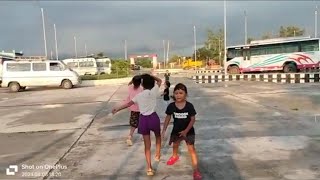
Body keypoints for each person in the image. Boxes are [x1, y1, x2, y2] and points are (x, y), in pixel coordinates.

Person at [112, 73, 162, 176]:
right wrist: (150, 75)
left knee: (147, 145)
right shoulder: (153, 91)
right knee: (158, 136)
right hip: (153, 117)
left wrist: (117, 109)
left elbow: (128, 104)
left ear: (142, 85)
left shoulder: (139, 96)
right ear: (152, 84)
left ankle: (149, 168)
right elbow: (160, 81)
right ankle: (157, 153)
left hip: (143, 119)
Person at [161, 83, 202, 180]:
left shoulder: (189, 106)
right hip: (176, 131)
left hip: (189, 131)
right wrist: (163, 130)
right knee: (175, 144)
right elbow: (167, 118)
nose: (178, 95)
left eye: (181, 93)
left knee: (191, 150)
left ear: (185, 94)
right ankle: (175, 156)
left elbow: (193, 119)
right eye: (176, 93)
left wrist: (186, 131)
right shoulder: (171, 106)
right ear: (174, 94)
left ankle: (196, 171)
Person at [123, 75, 143, 146]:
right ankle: (144, 136)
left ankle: (130, 136)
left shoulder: (130, 88)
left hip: (133, 109)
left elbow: (129, 83)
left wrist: (132, 80)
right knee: (143, 123)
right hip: (141, 109)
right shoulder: (141, 89)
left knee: (133, 124)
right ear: (140, 82)